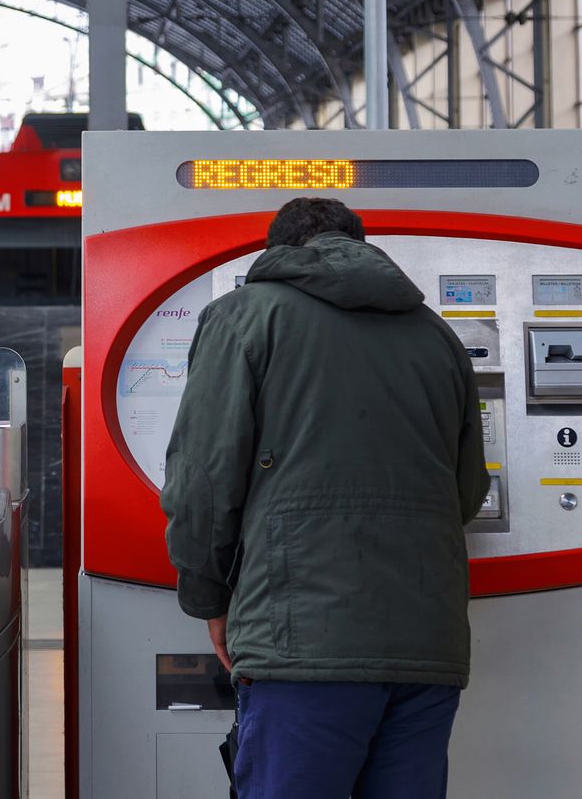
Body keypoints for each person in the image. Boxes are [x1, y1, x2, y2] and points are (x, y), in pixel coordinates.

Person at [160, 197, 490, 799]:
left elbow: (203, 485)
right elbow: (467, 492)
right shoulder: (438, 336)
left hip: (301, 644)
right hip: (426, 645)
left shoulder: (243, 318)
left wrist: (208, 597)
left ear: (278, 252)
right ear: (360, 245)